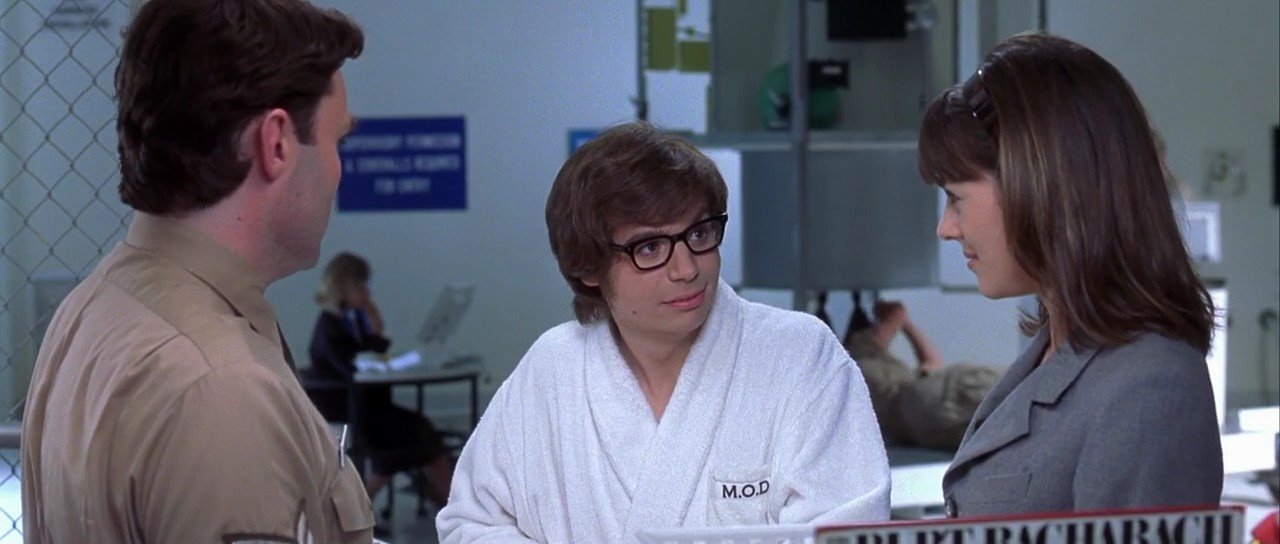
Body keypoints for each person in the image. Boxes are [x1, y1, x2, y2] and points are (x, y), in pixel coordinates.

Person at [437, 122, 890, 543]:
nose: (686, 269)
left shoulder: (800, 356)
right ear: (588, 266)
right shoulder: (552, 371)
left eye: (699, 234)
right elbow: (472, 523)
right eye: (650, 247)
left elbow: (846, 531)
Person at [20, 1, 370, 541]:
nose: (338, 170)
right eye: (336, 141)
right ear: (276, 143)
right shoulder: (222, 388)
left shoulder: (94, 307)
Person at [916, 31, 1222, 516]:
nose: (946, 228)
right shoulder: (1055, 354)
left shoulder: (1147, 388)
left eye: (956, 198)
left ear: (1041, 188)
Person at [307, 252, 453, 506]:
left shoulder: (351, 320)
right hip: (352, 410)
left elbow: (376, 347)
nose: (367, 292)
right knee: (413, 437)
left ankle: (443, 500)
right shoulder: (330, 326)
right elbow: (350, 367)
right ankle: (360, 507)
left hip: (371, 408)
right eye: (361, 286)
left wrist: (374, 321)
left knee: (421, 431)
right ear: (343, 289)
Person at [843, 299, 999, 450]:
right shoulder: (867, 373)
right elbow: (932, 366)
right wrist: (901, 318)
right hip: (944, 407)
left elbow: (932, 366)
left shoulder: (882, 383)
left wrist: (902, 321)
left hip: (935, 419)